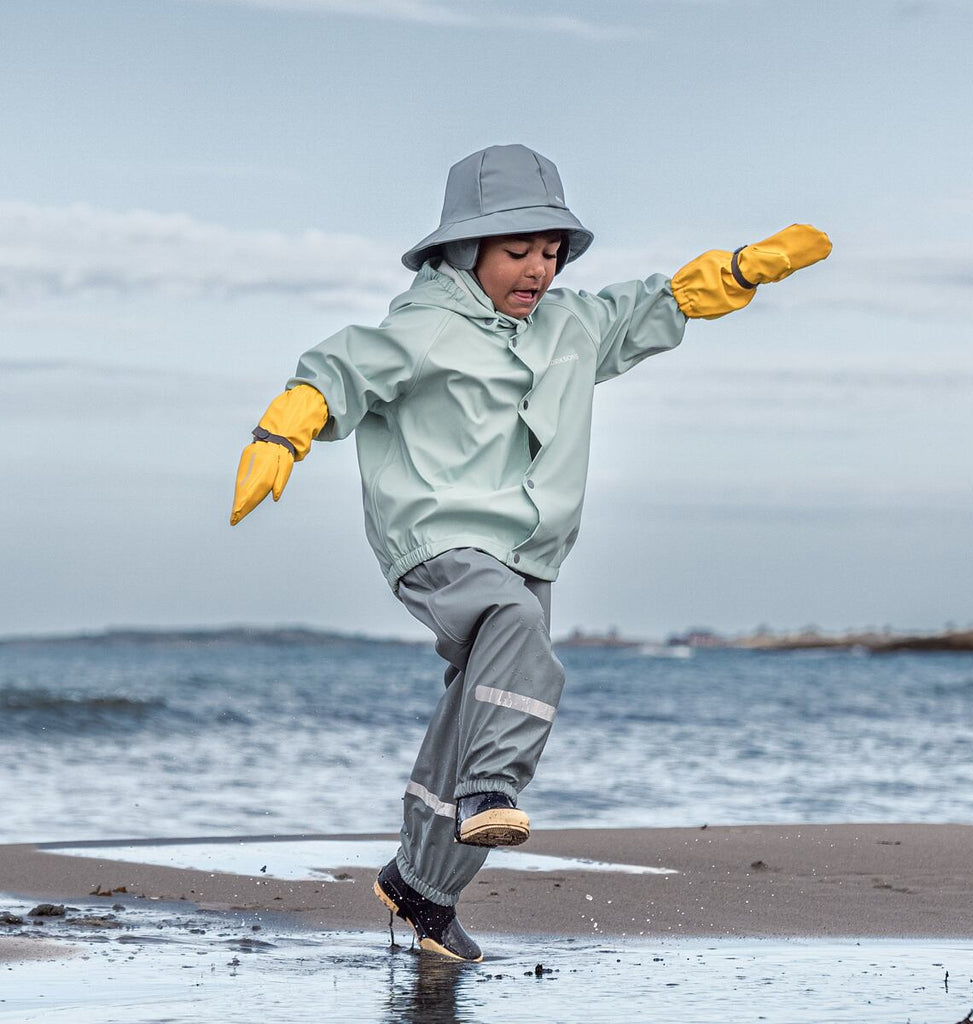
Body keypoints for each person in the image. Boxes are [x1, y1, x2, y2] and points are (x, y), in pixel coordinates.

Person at [230, 143, 831, 961]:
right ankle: (493, 787)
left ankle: (423, 887)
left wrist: (740, 271)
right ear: (463, 248)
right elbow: (345, 368)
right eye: (518, 251)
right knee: (514, 651)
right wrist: (286, 424)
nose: (538, 270)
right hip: (436, 539)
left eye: (550, 253)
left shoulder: (570, 326)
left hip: (531, 552)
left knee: (488, 703)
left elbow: (657, 302)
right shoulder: (425, 327)